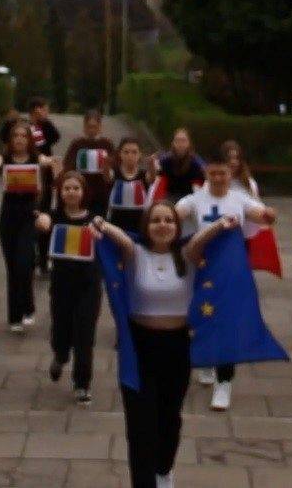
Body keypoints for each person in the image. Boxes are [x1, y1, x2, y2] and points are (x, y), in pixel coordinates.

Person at [93, 201, 238, 488]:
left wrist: (223, 224)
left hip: (176, 347)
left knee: (169, 417)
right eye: (156, 220)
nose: (163, 225)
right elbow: (118, 236)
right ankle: (144, 482)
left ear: (177, 226)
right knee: (140, 423)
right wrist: (101, 223)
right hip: (139, 347)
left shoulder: (187, 254)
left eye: (169, 220)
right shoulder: (134, 253)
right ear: (146, 226)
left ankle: (164, 469)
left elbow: (201, 238)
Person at [173, 151, 277, 410]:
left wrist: (269, 215)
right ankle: (206, 361)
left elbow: (260, 214)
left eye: (222, 173)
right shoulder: (196, 199)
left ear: (230, 175)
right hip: (201, 268)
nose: (218, 178)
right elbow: (175, 213)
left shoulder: (240, 199)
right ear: (206, 174)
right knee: (200, 315)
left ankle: (225, 382)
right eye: (213, 173)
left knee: (228, 321)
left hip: (230, 270)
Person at [0, 121, 58, 333]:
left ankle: (29, 306)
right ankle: (15, 316)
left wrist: (53, 163)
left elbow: (45, 160)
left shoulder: (35, 158)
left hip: (29, 216)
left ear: (29, 140)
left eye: (24, 136)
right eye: (16, 136)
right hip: (8, 217)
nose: (20, 140)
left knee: (25, 263)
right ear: (10, 140)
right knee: (13, 268)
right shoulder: (5, 158)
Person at [36, 171, 103, 405]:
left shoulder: (95, 219)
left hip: (88, 284)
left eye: (76, 188)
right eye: (67, 188)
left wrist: (102, 230)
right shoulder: (53, 217)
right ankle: (60, 355)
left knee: (85, 334)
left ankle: (82, 383)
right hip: (62, 284)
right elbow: (41, 227)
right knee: (61, 329)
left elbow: (107, 239)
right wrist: (41, 222)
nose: (71, 192)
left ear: (84, 192)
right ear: (60, 192)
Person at [1, 98, 62, 274]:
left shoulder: (45, 128)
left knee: (43, 217)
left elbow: (55, 138)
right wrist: (9, 121)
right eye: (42, 109)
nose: (44, 112)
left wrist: (44, 121)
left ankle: (43, 259)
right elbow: (5, 139)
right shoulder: (22, 127)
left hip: (43, 180)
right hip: (18, 186)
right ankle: (29, 255)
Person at [63, 109, 116, 217]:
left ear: (100, 127)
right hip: (81, 192)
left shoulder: (107, 144)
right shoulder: (77, 144)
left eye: (95, 126)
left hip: (101, 192)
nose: (92, 130)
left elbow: (114, 167)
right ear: (84, 127)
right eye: (89, 126)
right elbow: (68, 166)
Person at [106, 137, 155, 233]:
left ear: (140, 154)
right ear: (120, 154)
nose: (130, 156)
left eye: (134, 152)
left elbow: (152, 178)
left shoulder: (144, 175)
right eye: (126, 152)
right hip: (116, 225)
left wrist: (152, 165)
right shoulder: (114, 173)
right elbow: (107, 177)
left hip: (138, 226)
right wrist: (106, 164)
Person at [150, 128, 205, 201]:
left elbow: (204, 176)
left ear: (189, 143)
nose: (180, 144)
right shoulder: (165, 160)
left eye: (183, 141)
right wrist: (151, 165)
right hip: (169, 196)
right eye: (177, 141)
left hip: (189, 197)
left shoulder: (196, 161)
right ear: (173, 143)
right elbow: (154, 179)